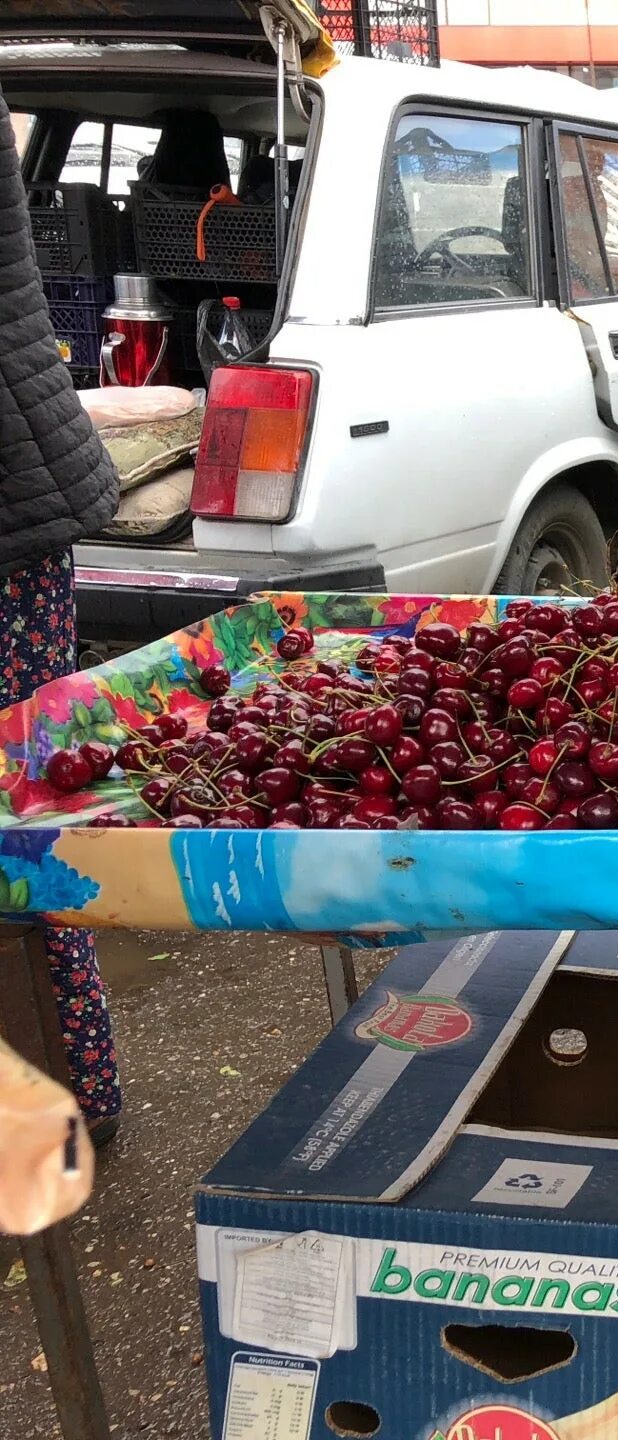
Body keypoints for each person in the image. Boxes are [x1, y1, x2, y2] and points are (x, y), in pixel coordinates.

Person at [0, 88, 124, 1143]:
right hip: (26, 489)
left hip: (13, 506)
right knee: (32, 810)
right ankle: (74, 1097)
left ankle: (58, 1106)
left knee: (27, 816)